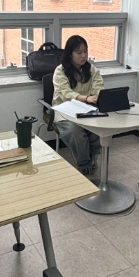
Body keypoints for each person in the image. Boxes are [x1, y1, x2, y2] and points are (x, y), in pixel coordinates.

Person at [52, 35, 104, 175]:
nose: (83, 56)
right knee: (75, 131)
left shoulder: (91, 69)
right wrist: (86, 98)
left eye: (85, 51)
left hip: (87, 109)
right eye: (79, 52)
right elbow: (66, 94)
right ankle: (84, 163)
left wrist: (99, 95)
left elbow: (98, 87)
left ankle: (92, 157)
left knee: (100, 128)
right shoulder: (60, 71)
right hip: (64, 110)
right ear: (70, 54)